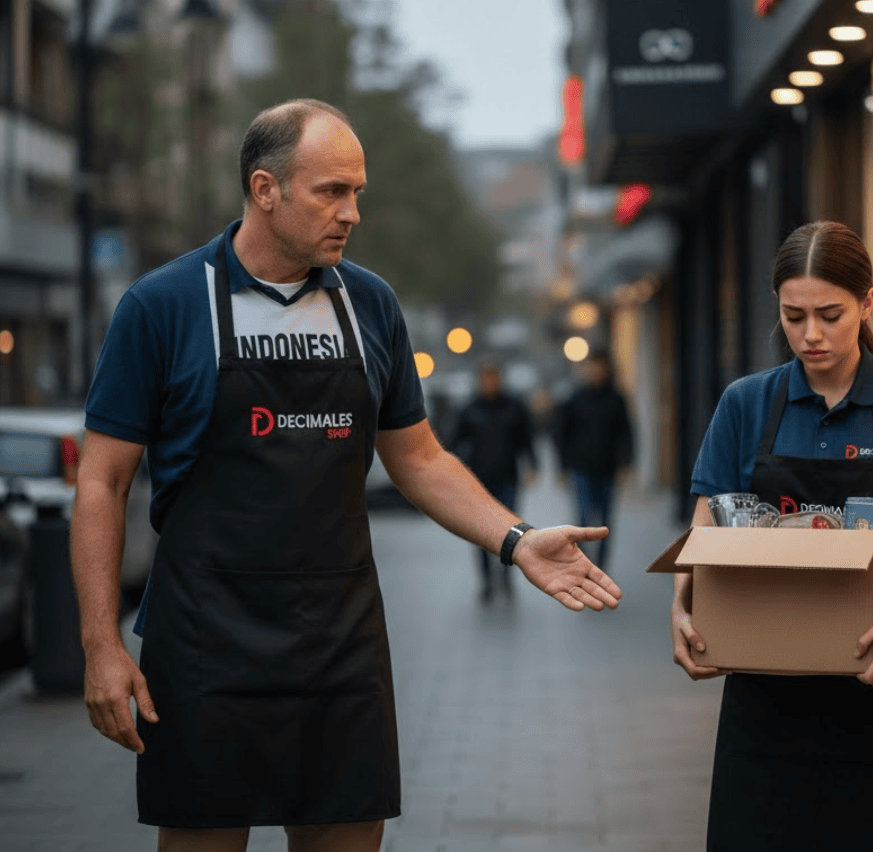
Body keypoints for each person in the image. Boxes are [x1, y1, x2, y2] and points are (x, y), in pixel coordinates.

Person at [70, 99, 622, 852]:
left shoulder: (370, 304)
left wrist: (516, 539)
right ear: (266, 190)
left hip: (340, 639)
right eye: (333, 191)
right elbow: (101, 482)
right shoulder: (163, 307)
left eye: (357, 192)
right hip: (205, 640)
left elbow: (420, 458)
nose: (352, 213)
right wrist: (101, 647)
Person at [672, 221, 873, 852]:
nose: (811, 334)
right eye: (794, 315)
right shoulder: (745, 404)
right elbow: (702, 532)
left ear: (866, 303)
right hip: (766, 708)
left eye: (831, 314)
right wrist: (683, 608)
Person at [450, 361, 538, 602]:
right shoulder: (470, 409)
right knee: (481, 535)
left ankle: (506, 579)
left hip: (508, 478)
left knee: (510, 533)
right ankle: (487, 581)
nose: (491, 382)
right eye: (486, 377)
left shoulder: (514, 407)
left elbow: (526, 439)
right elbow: (455, 443)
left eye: (494, 377)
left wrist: (532, 465)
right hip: (479, 482)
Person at [553, 347, 634, 570]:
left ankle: (602, 566)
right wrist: (562, 466)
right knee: (582, 519)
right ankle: (582, 564)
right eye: (592, 367)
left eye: (600, 367)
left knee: (606, 522)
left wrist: (627, 463)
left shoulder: (616, 399)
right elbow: (560, 433)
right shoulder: (575, 398)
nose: (596, 371)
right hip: (581, 469)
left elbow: (626, 432)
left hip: (608, 468)